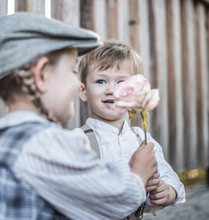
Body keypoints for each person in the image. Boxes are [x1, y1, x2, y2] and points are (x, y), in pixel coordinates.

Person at [0, 12, 158, 220]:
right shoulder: (44, 143)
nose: (75, 83)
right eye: (71, 71)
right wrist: (138, 173)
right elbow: (114, 200)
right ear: (40, 75)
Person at [73, 41, 186, 219]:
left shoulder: (142, 139)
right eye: (101, 81)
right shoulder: (78, 141)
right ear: (83, 91)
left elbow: (168, 175)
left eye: (121, 83)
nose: (111, 90)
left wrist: (167, 191)